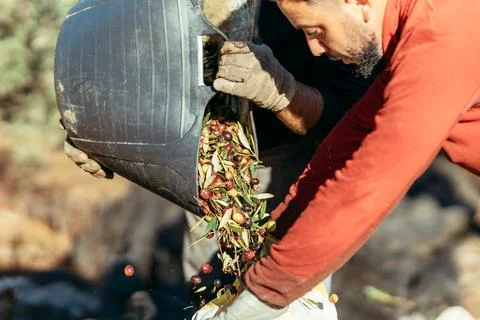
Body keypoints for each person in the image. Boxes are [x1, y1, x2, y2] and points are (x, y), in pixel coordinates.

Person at [63, 0, 374, 319]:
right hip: (199, 164)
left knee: (284, 294)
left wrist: (282, 92)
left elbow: (350, 118)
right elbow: (128, 43)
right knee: (210, 287)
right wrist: (101, 128)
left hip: (287, 161)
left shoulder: (329, 18)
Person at [195, 0, 480, 319]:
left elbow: (372, 178)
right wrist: (277, 232)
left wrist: (266, 291)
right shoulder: (411, 34)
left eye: (316, 31)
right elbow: (353, 137)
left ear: (358, 3)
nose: (315, 49)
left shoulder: (440, 33)